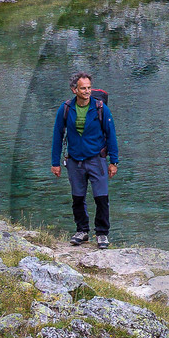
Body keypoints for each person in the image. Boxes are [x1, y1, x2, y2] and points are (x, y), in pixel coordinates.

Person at [50, 72, 118, 249]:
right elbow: (58, 135)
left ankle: (102, 233)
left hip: (97, 160)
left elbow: (111, 135)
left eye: (89, 87)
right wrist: (55, 163)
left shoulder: (101, 108)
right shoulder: (65, 108)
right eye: (83, 88)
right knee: (78, 198)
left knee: (101, 197)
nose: (87, 91)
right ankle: (82, 230)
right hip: (75, 161)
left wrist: (114, 161)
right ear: (74, 90)